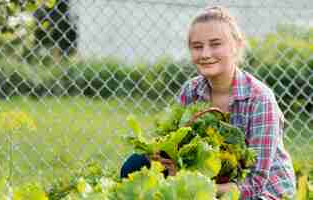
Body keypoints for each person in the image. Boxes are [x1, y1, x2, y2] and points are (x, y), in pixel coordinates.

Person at [121, 6, 296, 199]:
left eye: (215, 44)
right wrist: (164, 158)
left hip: (263, 189)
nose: (205, 54)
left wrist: (195, 187)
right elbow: (171, 143)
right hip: (210, 176)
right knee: (135, 165)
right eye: (197, 46)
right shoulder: (191, 90)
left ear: (236, 45)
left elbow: (255, 183)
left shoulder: (260, 98)